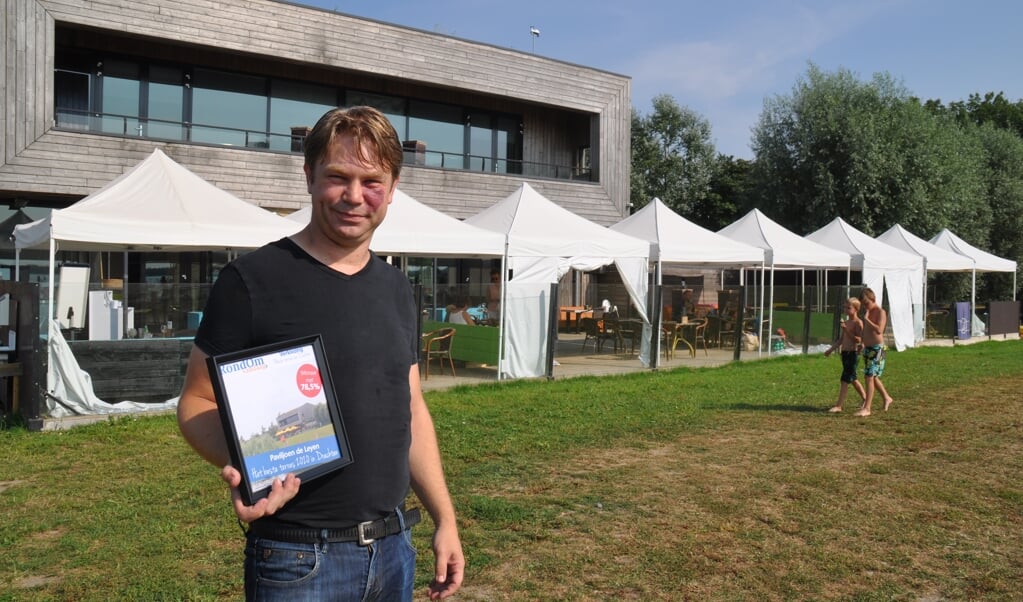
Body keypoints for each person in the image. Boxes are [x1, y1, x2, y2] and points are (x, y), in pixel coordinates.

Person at [176, 106, 464, 601]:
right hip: (298, 560)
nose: (355, 196)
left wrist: (446, 518)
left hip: (395, 549)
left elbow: (411, 409)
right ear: (308, 176)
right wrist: (251, 465)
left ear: (393, 188)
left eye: (372, 181)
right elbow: (195, 404)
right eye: (338, 177)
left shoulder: (397, 288)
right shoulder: (250, 282)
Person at [823, 298, 867, 413]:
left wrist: (846, 330)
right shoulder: (846, 323)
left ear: (856, 309)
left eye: (849, 308)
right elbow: (841, 340)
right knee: (852, 378)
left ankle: (839, 405)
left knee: (844, 380)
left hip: (853, 353)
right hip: (845, 353)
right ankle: (866, 399)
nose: (846, 310)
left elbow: (859, 339)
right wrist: (831, 349)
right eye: (845, 307)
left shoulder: (858, 323)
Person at [856, 287, 894, 417]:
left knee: (869, 377)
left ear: (873, 299)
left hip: (877, 349)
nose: (865, 307)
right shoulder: (868, 313)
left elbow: (879, 330)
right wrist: (862, 343)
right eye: (863, 305)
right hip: (868, 348)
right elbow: (865, 331)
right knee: (873, 377)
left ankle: (867, 408)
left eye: (867, 304)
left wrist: (867, 320)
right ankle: (887, 397)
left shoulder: (880, 312)